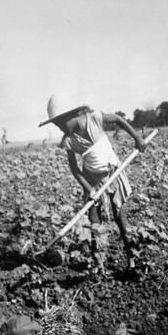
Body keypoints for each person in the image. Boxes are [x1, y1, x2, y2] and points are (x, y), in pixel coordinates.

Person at [39, 94, 147, 267]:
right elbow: (75, 169)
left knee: (120, 216)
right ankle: (98, 263)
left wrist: (137, 137)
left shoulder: (95, 119)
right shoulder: (68, 141)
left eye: (60, 123)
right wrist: (89, 189)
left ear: (72, 115)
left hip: (112, 173)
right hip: (91, 180)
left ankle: (131, 258)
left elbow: (118, 119)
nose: (59, 128)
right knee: (94, 221)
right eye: (56, 124)